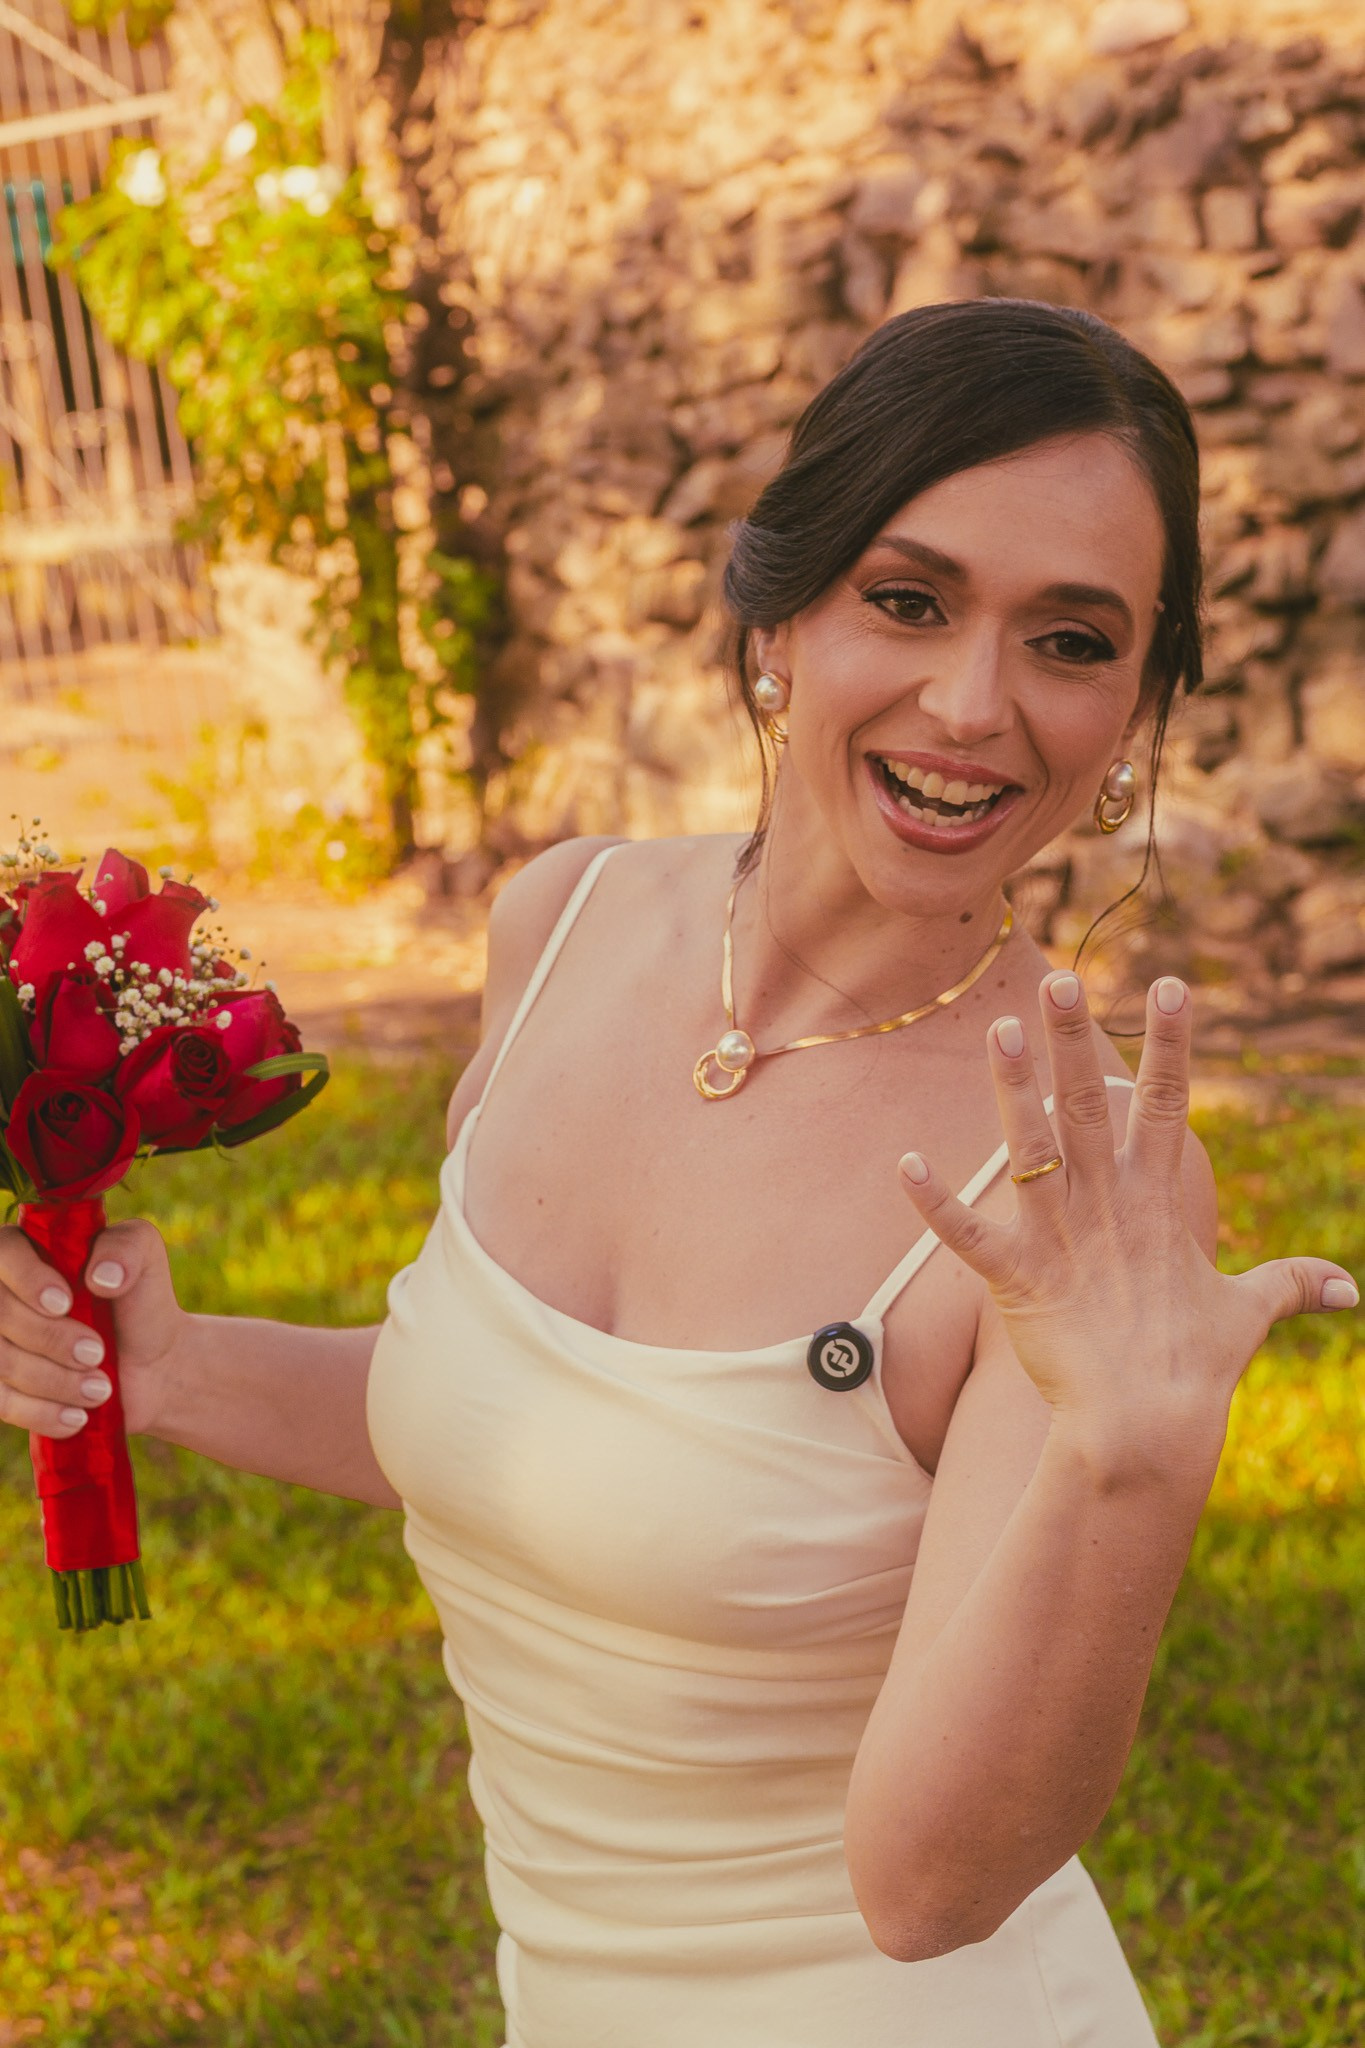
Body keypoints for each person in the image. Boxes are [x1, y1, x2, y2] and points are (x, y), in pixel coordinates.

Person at [0, 300, 1356, 2048]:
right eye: (908, 599)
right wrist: (170, 1369)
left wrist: (1130, 1465)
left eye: (1071, 640)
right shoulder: (565, 919)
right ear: (775, 615)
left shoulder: (1074, 1186)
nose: (971, 705)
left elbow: (928, 1892)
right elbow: (543, 1445)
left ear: (1135, 716)